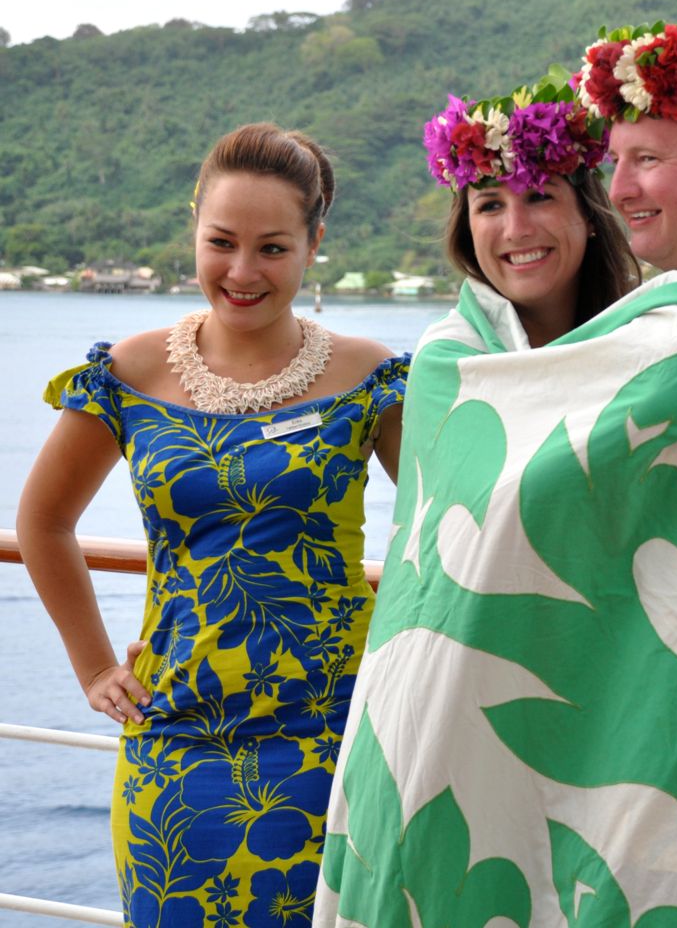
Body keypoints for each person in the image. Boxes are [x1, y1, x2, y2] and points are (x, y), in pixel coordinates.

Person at [315, 30, 677, 925]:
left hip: (675, 742)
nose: (620, 188)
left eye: (644, 160)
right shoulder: (466, 365)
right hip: (526, 745)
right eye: (488, 203)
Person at [16, 121, 408, 927]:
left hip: (332, 736)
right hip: (178, 735)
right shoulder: (127, 373)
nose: (241, 271)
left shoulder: (370, 377)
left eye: (272, 247)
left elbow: (454, 527)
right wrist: (94, 668)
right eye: (221, 241)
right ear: (193, 229)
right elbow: (43, 519)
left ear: (314, 242)